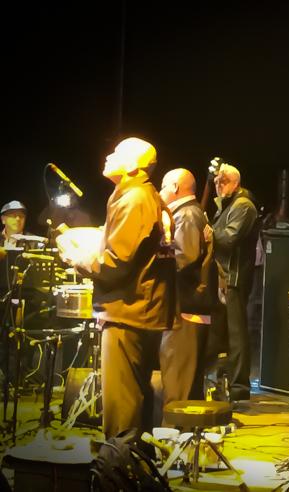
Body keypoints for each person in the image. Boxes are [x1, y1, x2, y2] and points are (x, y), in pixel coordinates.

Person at [60, 136, 176, 438]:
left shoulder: (134, 198)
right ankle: (132, 460)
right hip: (137, 310)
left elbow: (116, 263)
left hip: (128, 311)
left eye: (117, 152)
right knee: (133, 399)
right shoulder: (140, 196)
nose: (108, 156)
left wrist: (77, 257)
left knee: (122, 405)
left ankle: (117, 463)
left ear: (135, 165)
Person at [159, 168, 215, 409]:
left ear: (174, 187)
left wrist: (153, 266)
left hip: (186, 308)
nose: (160, 192)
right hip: (190, 307)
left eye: (162, 186)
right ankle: (185, 429)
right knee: (186, 386)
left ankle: (174, 429)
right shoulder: (190, 213)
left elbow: (183, 258)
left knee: (178, 387)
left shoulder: (187, 215)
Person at [210, 163, 259, 402]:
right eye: (217, 182)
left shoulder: (243, 206)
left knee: (236, 334)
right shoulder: (229, 204)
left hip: (234, 278)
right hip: (225, 277)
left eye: (224, 181)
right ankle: (226, 381)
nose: (219, 185)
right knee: (226, 333)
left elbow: (229, 239)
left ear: (236, 183)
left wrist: (208, 233)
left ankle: (239, 388)